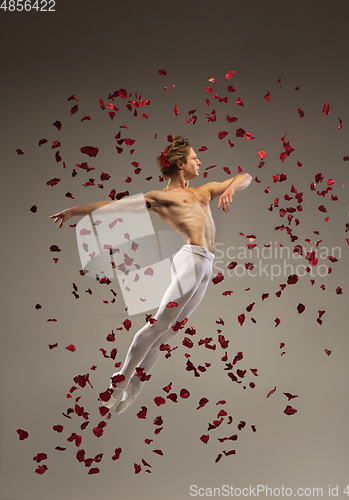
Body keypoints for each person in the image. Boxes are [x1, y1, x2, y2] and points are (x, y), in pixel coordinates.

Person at [50, 136, 252, 413]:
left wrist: (231, 189)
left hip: (206, 265)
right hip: (191, 259)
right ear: (180, 164)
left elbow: (246, 176)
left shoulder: (204, 191)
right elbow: (111, 207)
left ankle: (134, 387)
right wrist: (74, 211)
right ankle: (118, 383)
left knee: (168, 333)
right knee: (159, 325)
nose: (199, 162)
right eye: (194, 158)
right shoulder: (160, 198)